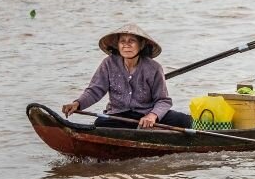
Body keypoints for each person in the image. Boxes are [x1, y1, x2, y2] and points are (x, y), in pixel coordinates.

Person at [62, 24, 192, 129]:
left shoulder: (153, 68)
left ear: (141, 45)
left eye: (132, 41)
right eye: (122, 41)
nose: (126, 45)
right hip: (118, 116)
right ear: (117, 46)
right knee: (100, 124)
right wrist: (77, 104)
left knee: (185, 121)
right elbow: (95, 91)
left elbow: (163, 100)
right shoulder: (108, 63)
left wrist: (152, 116)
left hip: (145, 115)